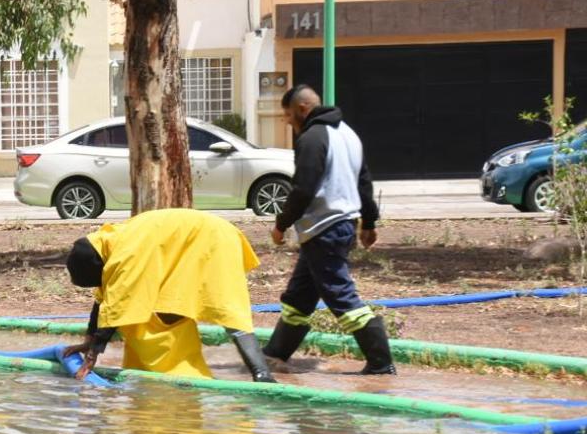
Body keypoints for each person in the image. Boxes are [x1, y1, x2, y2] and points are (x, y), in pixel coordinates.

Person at [263, 85, 394, 375]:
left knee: (340, 295)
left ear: (302, 108)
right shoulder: (348, 134)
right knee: (300, 295)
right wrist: (369, 223)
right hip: (337, 226)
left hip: (325, 228)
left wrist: (280, 224)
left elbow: (303, 188)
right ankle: (275, 354)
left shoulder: (312, 137)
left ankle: (381, 363)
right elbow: (364, 182)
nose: (287, 122)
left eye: (287, 115)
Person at [62, 209, 276, 383]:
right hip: (190, 241)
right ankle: (180, 374)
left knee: (226, 305)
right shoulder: (107, 245)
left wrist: (92, 357)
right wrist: (89, 341)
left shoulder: (124, 255)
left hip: (213, 238)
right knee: (172, 307)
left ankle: (262, 375)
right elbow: (103, 299)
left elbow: (118, 306)